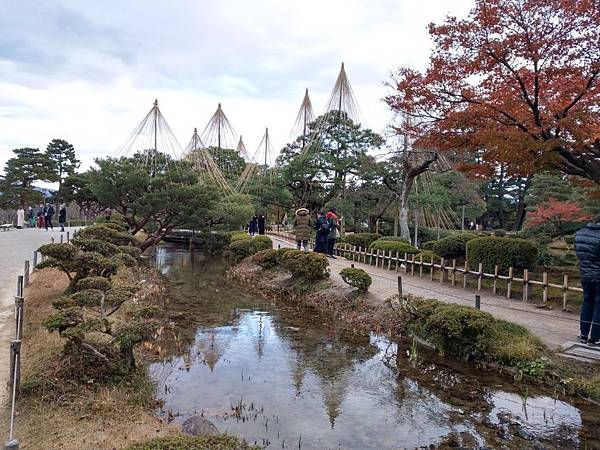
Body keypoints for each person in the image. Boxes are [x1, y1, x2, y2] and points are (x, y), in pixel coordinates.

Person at [575, 218, 600, 346]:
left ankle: (583, 335)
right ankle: (595, 338)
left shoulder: (580, 233)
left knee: (587, 303)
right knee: (598, 306)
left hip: (585, 275)